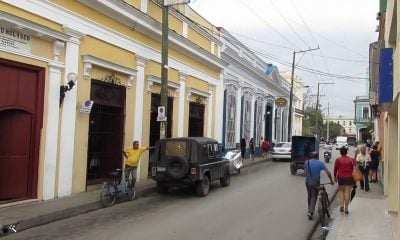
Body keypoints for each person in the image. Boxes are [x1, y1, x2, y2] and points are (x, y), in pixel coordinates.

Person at [304, 152, 334, 220]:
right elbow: (328, 172)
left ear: (311, 156)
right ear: (317, 157)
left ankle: (309, 209)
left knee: (309, 195)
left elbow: (305, 172)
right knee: (314, 196)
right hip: (316, 182)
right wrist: (331, 180)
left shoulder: (307, 162)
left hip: (308, 181)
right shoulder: (320, 163)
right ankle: (310, 212)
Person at [334, 146, 357, 214]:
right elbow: (355, 166)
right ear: (346, 152)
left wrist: (334, 176)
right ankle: (346, 208)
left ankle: (341, 205)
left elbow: (335, 169)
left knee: (341, 192)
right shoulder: (351, 159)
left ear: (340, 152)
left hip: (341, 177)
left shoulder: (338, 160)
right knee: (347, 192)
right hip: (349, 177)